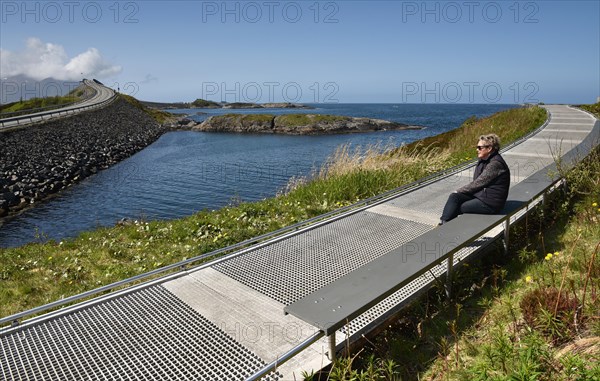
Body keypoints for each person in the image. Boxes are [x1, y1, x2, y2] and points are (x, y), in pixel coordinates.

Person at [439, 133, 510, 224]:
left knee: (461, 207)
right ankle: (443, 223)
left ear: (489, 149)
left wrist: (459, 190)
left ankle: (444, 228)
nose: (477, 150)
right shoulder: (484, 159)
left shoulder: (495, 164)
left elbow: (478, 183)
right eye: (477, 147)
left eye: (480, 148)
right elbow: (477, 182)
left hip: (491, 203)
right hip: (482, 195)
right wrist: (457, 193)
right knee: (454, 197)